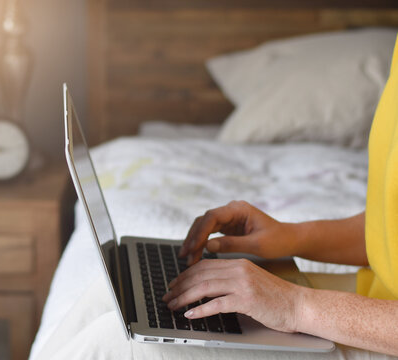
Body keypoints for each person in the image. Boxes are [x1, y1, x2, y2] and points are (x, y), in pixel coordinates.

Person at [163, 37, 398, 357]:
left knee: (115, 341)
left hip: (381, 338)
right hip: (375, 302)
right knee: (118, 301)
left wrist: (294, 305)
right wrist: (290, 236)